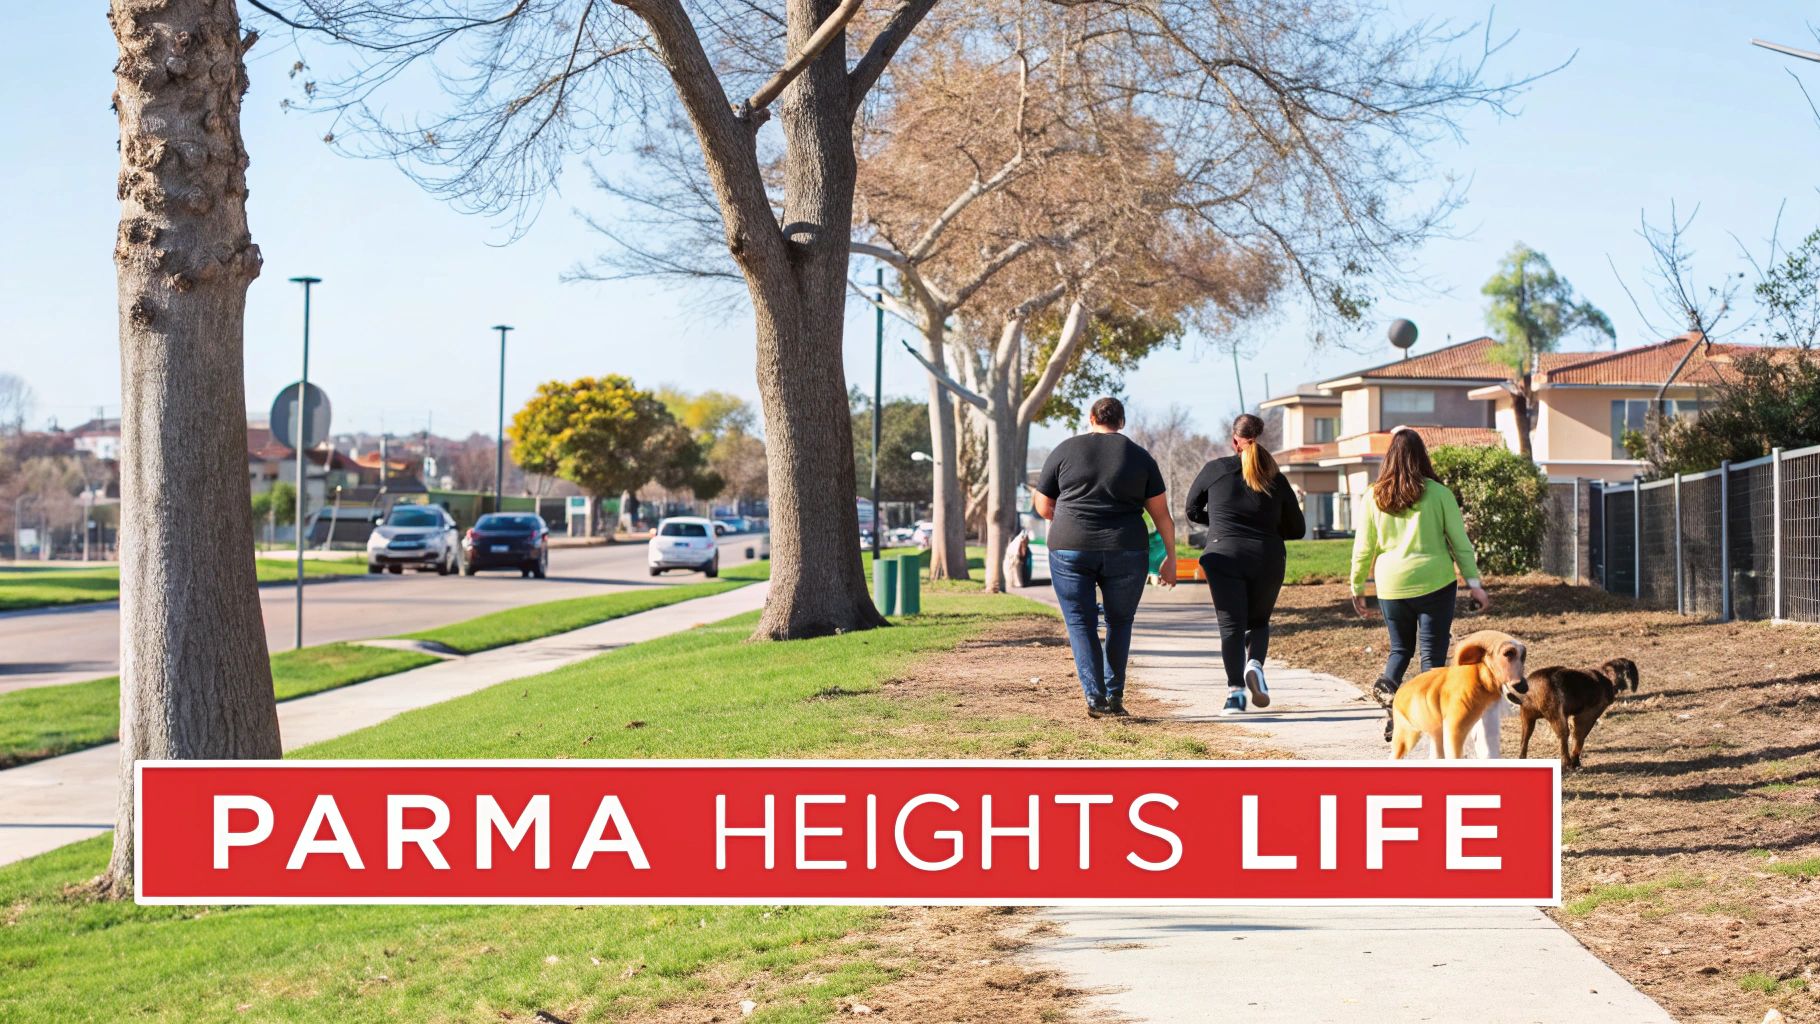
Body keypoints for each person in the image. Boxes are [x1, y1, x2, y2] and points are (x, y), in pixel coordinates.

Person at [1033, 397, 1176, 718]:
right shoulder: (1140, 458)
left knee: (1080, 623)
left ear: (1091, 418)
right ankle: (1114, 697)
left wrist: (1071, 520)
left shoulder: (1064, 451)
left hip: (1070, 547)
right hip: (1127, 547)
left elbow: (1043, 507)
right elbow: (1162, 516)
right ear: (1121, 422)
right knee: (1120, 622)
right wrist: (1170, 558)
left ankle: (1095, 697)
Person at [1349, 428, 1491, 740]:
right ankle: (1423, 716)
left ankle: (1390, 690)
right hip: (1435, 582)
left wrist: (1357, 585)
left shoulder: (1374, 496)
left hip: (1391, 585)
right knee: (1432, 658)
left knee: (1400, 649)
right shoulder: (1440, 494)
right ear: (1422, 456)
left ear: (1389, 457)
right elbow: (1460, 543)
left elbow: (1363, 547)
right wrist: (1474, 583)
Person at [1185, 413, 1305, 716]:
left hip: (1222, 556)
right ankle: (1255, 665)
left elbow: (1191, 509)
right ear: (1260, 438)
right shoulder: (1276, 477)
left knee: (1231, 627)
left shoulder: (1215, 470)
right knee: (1259, 622)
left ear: (1234, 440)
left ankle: (1235, 695)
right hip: (1267, 556)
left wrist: (1222, 521)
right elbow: (1297, 528)